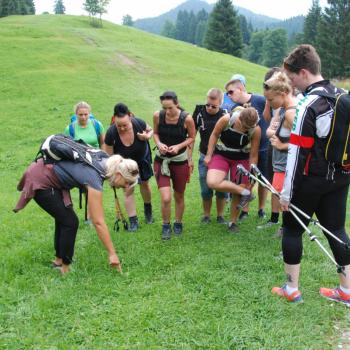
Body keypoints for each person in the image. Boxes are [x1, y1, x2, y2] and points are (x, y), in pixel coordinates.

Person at [272, 44, 350, 305]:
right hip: (340, 178)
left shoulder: (309, 104)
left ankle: (291, 289)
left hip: (309, 181)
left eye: (292, 78)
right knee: (337, 229)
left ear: (303, 72)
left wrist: (286, 193)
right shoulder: (344, 95)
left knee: (292, 230)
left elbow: (297, 153)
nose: (292, 84)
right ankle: (347, 290)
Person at [14, 152, 139, 274]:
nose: (127, 187)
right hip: (41, 179)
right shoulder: (94, 176)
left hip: (45, 172)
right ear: (118, 174)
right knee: (70, 222)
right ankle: (65, 268)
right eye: (127, 183)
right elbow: (98, 222)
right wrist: (112, 253)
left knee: (63, 218)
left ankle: (59, 260)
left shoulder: (104, 160)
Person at [204, 106, 261, 232]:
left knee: (238, 190)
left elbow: (253, 153)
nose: (247, 129)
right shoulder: (227, 119)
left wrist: (252, 173)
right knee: (212, 182)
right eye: (245, 127)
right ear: (239, 119)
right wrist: (209, 154)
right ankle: (245, 192)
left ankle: (232, 223)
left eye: (249, 128)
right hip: (222, 154)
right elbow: (214, 135)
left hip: (241, 157)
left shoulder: (255, 129)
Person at [257, 71, 297, 236]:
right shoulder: (283, 109)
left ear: (282, 94)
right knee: (282, 198)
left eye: (271, 99)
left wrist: (281, 145)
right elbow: (270, 130)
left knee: (286, 200)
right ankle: (285, 228)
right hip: (281, 164)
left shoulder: (290, 113)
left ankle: (288, 231)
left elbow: (307, 143)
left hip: (288, 166)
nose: (269, 103)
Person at [104, 103, 154, 231]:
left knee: (144, 185)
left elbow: (151, 130)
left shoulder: (138, 123)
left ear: (130, 117)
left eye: (125, 125)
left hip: (142, 160)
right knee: (128, 190)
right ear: (114, 119)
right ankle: (133, 221)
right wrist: (113, 174)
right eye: (118, 125)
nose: (122, 128)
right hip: (124, 165)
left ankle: (148, 211)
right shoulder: (111, 133)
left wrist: (147, 136)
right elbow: (109, 157)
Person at [225, 74, 268, 220]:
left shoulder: (260, 100)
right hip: (245, 150)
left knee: (263, 179)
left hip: (264, 147)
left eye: (231, 92)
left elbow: (270, 116)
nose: (228, 96)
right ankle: (245, 210)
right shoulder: (233, 108)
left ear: (241, 88)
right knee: (247, 178)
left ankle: (261, 209)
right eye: (227, 93)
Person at [153, 91, 195, 240]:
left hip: (180, 161)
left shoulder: (187, 119)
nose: (168, 112)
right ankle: (166, 225)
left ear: (177, 104)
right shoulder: (158, 115)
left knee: (179, 195)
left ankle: (178, 222)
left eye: (170, 108)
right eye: (165, 108)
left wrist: (178, 147)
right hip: (161, 160)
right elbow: (155, 133)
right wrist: (159, 144)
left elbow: (192, 137)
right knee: (165, 198)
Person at [189, 88, 227, 224]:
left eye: (214, 106)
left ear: (221, 104)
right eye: (208, 105)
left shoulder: (225, 115)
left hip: (222, 157)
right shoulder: (199, 112)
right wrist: (189, 158)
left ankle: (220, 215)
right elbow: (191, 136)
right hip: (204, 157)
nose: (210, 108)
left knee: (221, 189)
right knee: (205, 188)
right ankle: (206, 215)